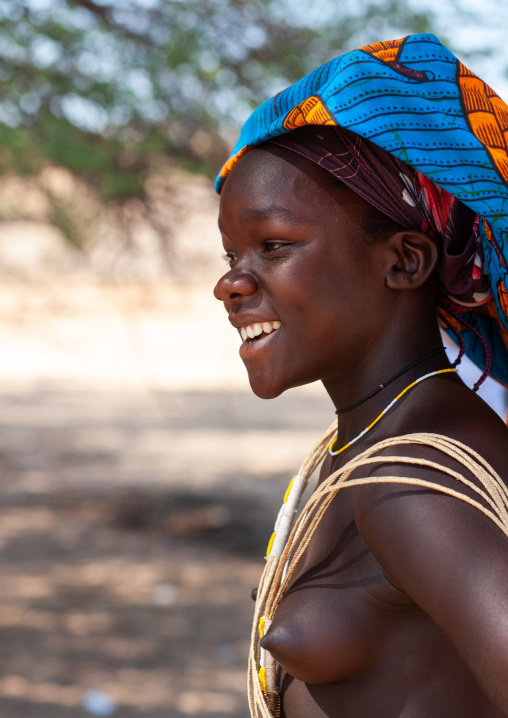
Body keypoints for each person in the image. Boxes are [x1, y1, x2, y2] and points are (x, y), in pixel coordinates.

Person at [213, 34, 508, 717]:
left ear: (405, 261)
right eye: (232, 252)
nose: (230, 282)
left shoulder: (417, 487)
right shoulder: (366, 446)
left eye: (274, 245)